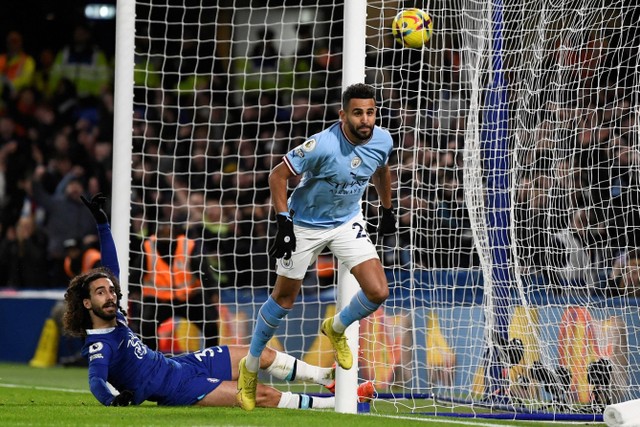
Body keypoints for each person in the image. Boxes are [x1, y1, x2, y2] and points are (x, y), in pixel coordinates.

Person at [62, 193, 372, 408]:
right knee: (258, 393)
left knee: (258, 355)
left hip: (179, 364)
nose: (111, 295)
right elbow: (96, 382)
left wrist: (103, 225)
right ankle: (341, 404)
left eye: (111, 290)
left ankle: (327, 378)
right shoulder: (100, 344)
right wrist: (114, 399)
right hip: (177, 388)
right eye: (101, 292)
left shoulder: (116, 318)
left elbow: (111, 269)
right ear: (87, 304)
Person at [237, 83, 396, 410]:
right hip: (304, 224)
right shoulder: (321, 145)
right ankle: (250, 366)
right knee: (284, 299)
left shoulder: (382, 139)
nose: (365, 120)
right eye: (358, 113)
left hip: (345, 222)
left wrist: (388, 209)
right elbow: (277, 176)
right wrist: (283, 222)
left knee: (378, 291)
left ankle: (335, 327)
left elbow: (381, 169)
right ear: (343, 115)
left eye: (370, 112)